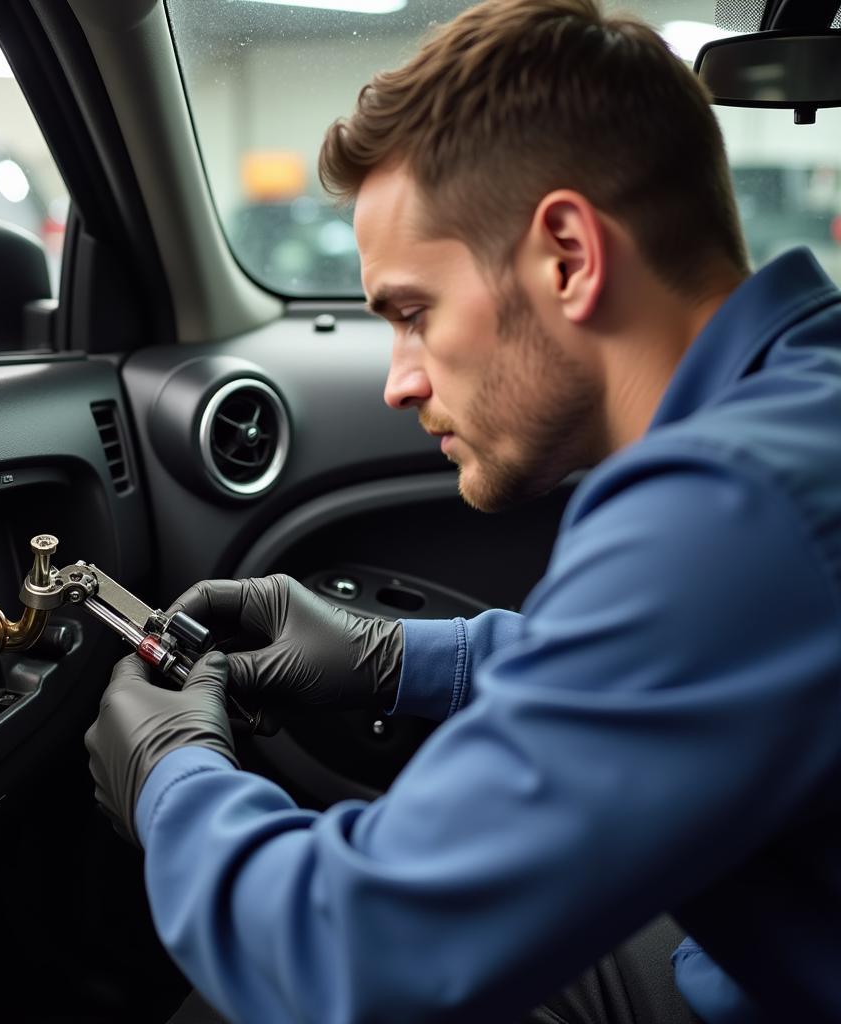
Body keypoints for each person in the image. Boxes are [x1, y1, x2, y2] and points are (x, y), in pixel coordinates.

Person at [85, 1, 841, 1020]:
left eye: (411, 312)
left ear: (567, 255)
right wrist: (400, 657)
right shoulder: (798, 400)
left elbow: (350, 958)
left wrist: (171, 776)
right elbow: (671, 666)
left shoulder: (733, 506)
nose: (399, 379)